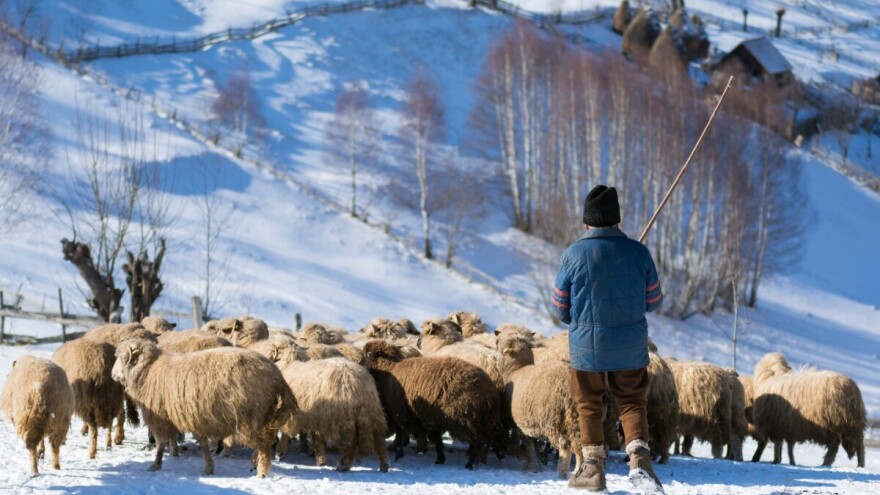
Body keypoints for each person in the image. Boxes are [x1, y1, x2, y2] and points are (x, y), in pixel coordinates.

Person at [550, 185, 665, 494]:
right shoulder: (638, 252)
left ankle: (592, 469)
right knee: (631, 400)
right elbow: (653, 300)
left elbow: (559, 307)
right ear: (617, 219)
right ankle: (640, 461)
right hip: (630, 346)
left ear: (587, 222)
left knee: (588, 402)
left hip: (588, 348)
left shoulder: (573, 254)